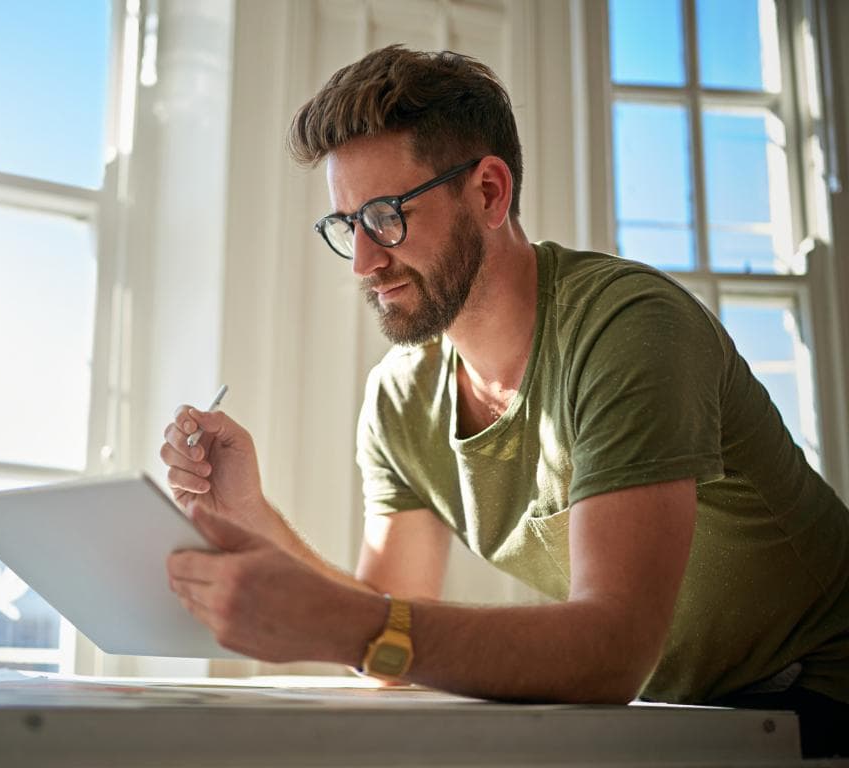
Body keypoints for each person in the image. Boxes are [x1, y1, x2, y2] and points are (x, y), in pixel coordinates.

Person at [160, 45, 848, 756]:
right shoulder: (400, 398)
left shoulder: (630, 329)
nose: (364, 262)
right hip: (680, 711)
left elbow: (610, 650)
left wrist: (353, 628)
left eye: (386, 215)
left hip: (817, 695)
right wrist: (251, 515)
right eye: (346, 226)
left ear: (489, 192)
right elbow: (389, 640)